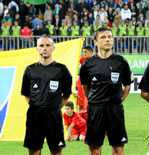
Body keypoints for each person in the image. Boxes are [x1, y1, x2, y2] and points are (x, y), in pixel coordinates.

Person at [80, 27, 133, 155]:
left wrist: (120, 100)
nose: (107, 40)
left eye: (109, 37)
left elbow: (127, 85)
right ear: (95, 42)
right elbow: (85, 87)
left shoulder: (121, 62)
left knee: (118, 149)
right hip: (95, 110)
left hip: (115, 109)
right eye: (103, 37)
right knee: (94, 150)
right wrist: (94, 100)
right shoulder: (88, 64)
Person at [21, 34, 72, 155]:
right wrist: (37, 106)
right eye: (41, 45)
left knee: (56, 151)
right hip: (34, 116)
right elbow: (26, 94)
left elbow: (66, 94)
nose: (45, 48)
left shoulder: (62, 69)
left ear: (53, 48)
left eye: (48, 45)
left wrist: (54, 107)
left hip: (54, 116)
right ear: (37, 48)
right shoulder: (30, 70)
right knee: (34, 151)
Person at [76, 45, 93, 121]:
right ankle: (81, 122)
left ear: (91, 52)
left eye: (85, 52)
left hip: (88, 86)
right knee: (80, 105)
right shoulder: (84, 60)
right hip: (81, 85)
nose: (84, 53)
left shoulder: (91, 61)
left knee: (87, 104)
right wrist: (78, 44)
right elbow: (78, 56)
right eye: (83, 52)